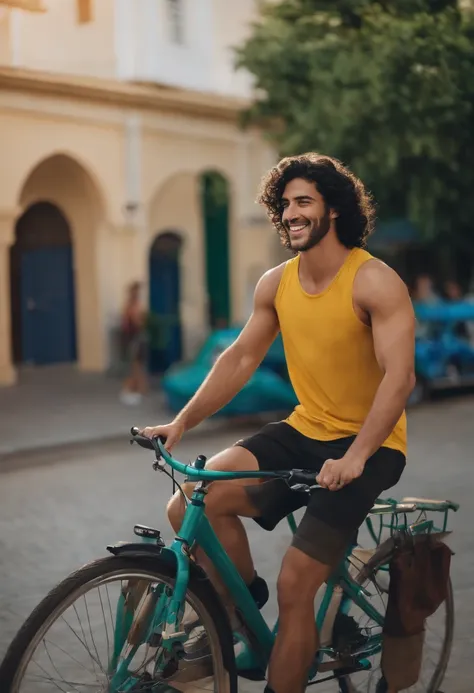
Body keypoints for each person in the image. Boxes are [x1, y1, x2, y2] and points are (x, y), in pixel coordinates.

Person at [141, 153, 416, 693]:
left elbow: (399, 379)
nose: (290, 212)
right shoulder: (276, 283)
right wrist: (180, 424)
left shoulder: (375, 282)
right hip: (303, 428)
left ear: (333, 211)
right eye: (285, 203)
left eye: (304, 202)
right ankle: (245, 608)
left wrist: (357, 456)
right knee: (189, 502)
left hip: (369, 445)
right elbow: (240, 359)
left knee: (297, 588)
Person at [120, 281, 148, 405]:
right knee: (135, 364)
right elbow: (136, 320)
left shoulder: (133, 305)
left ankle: (139, 388)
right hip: (133, 337)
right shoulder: (132, 305)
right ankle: (131, 389)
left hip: (135, 337)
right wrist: (141, 319)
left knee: (138, 364)